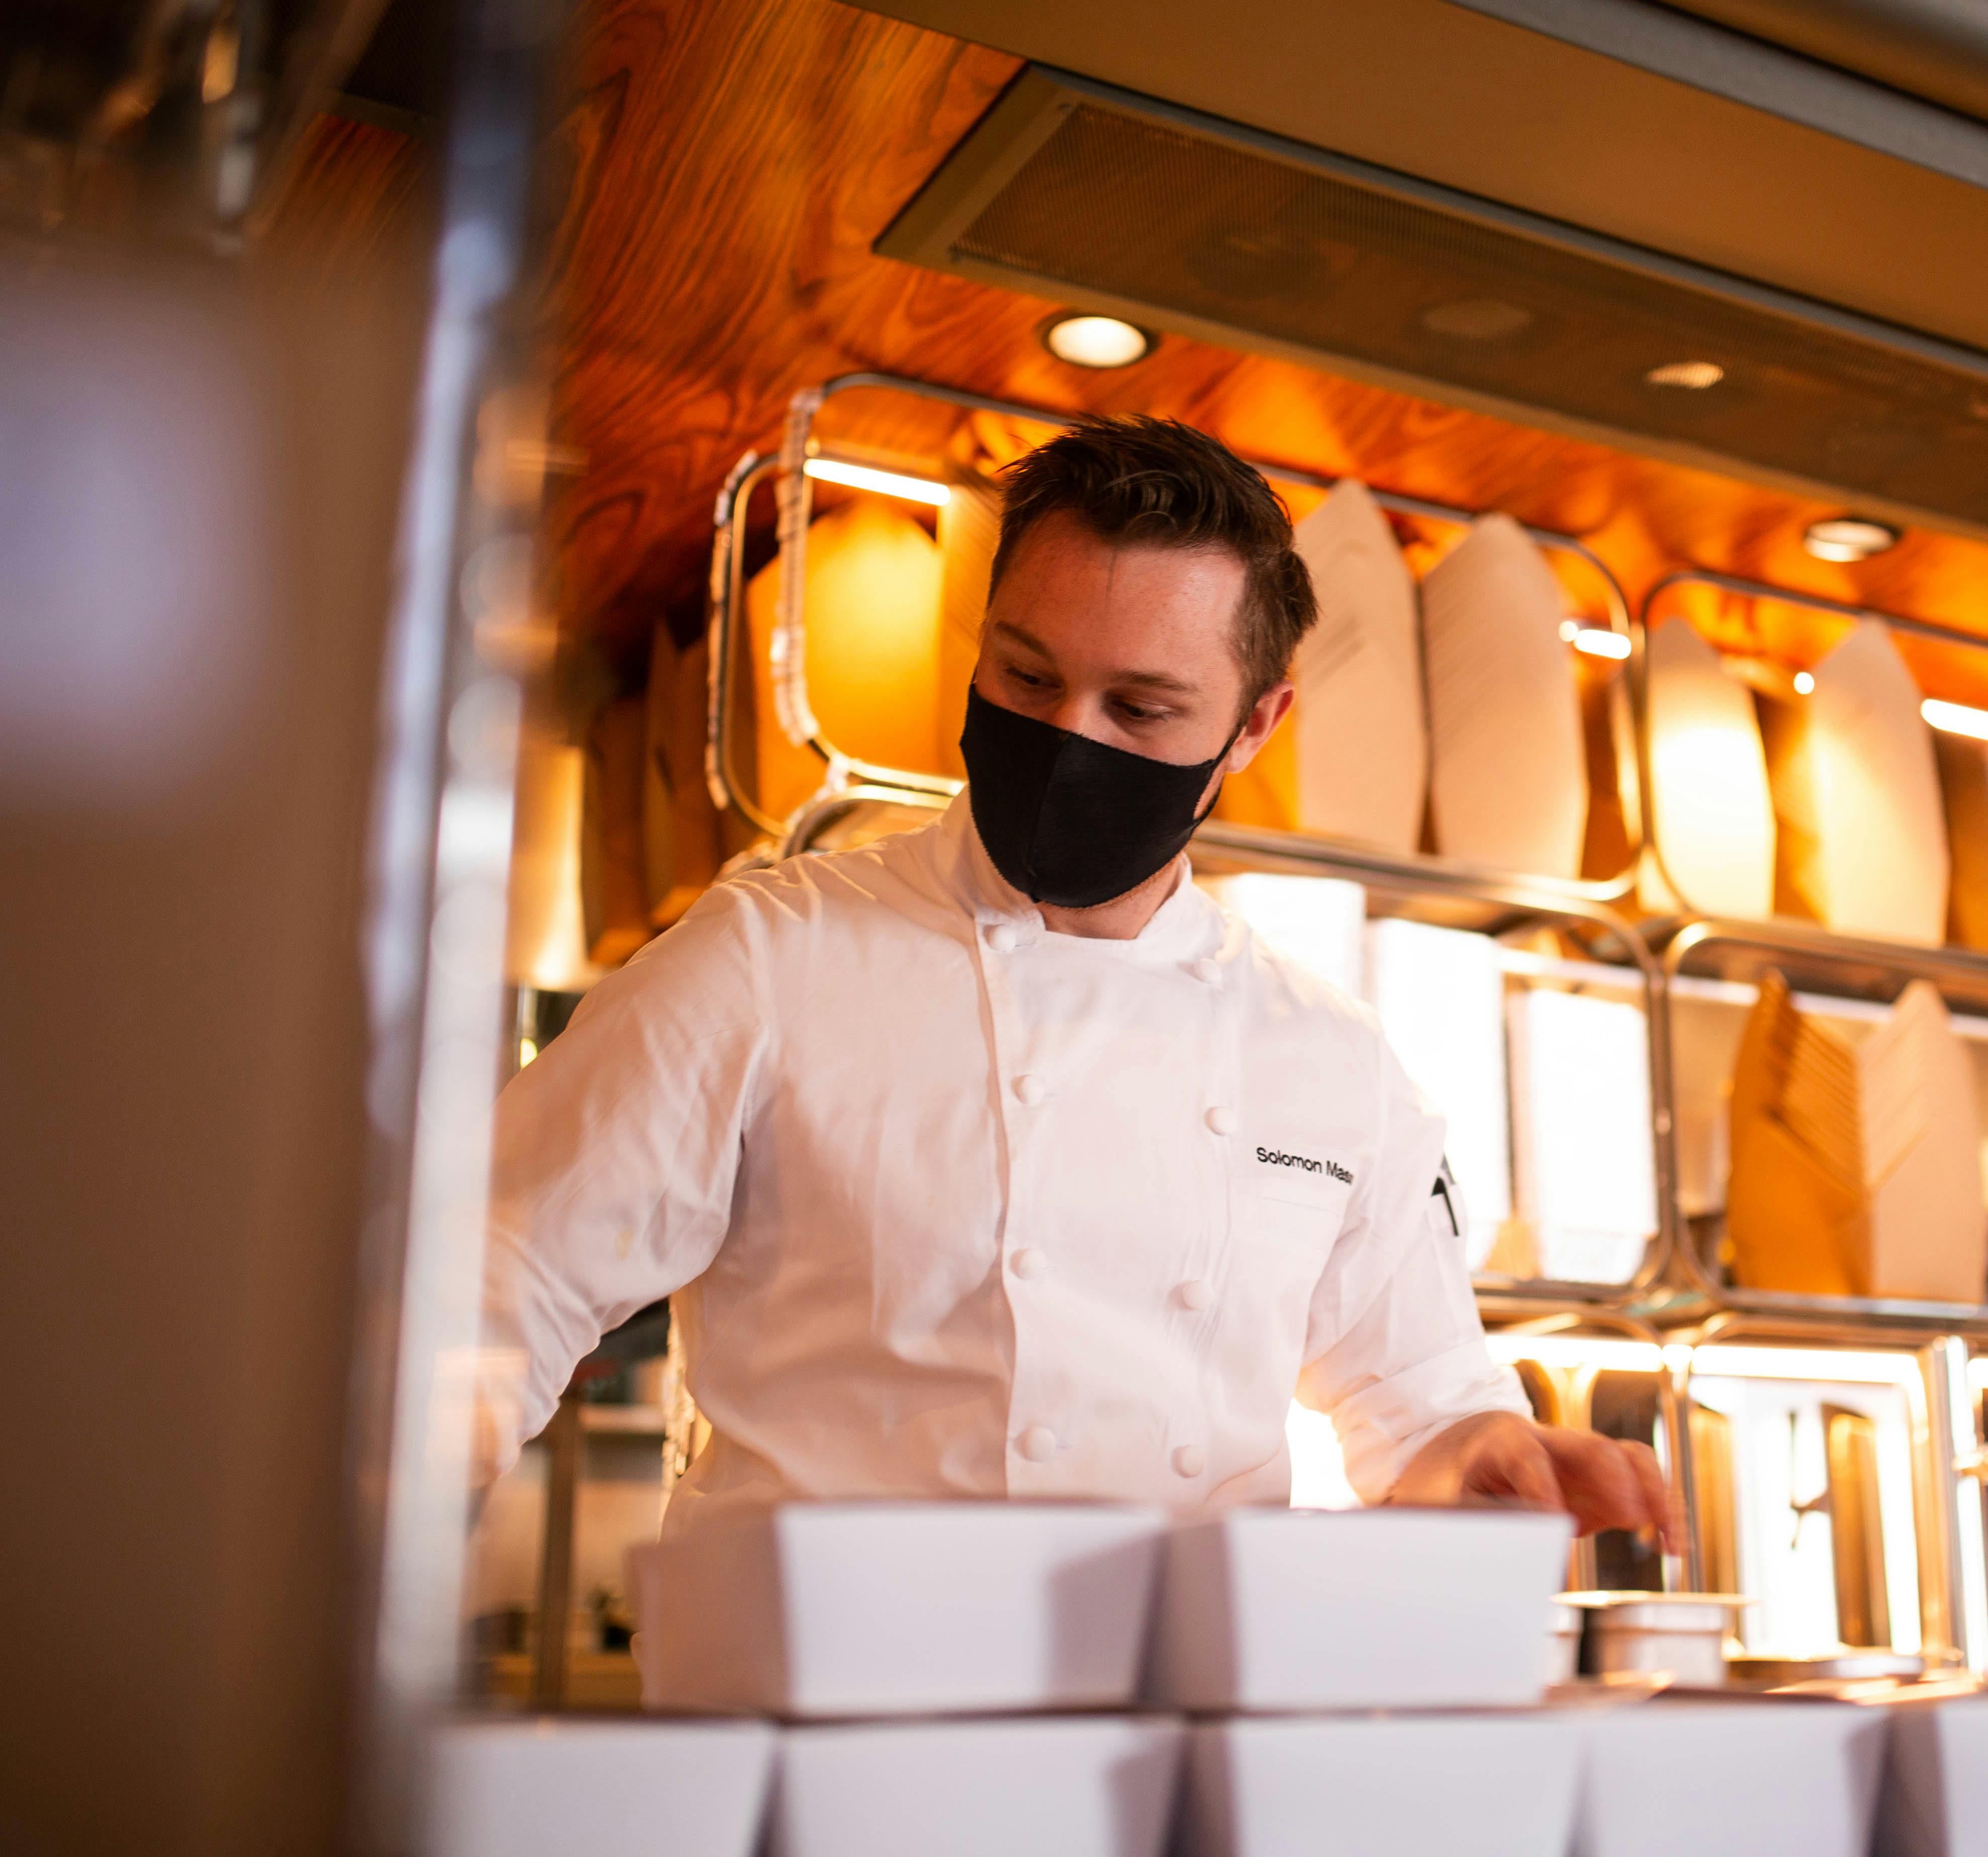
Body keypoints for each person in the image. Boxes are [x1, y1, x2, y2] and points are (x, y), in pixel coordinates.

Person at [477, 414, 1679, 1552]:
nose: (1069, 738)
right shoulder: (769, 958)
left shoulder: (1330, 1060)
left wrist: (1482, 1460)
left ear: (1256, 727)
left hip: (1172, 1725)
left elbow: (1422, 1412)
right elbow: (495, 1288)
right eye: (1028, 678)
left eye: (1143, 708)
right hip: (815, 1724)